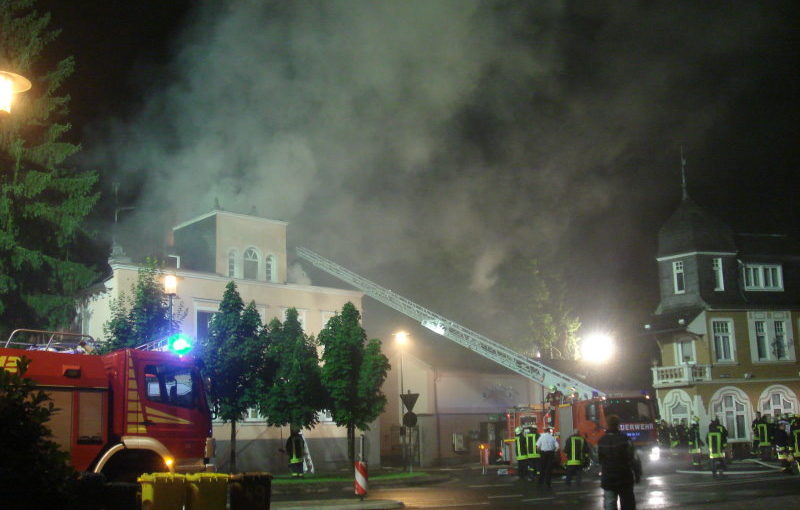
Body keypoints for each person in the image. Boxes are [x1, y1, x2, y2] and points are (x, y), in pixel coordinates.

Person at [598, 414, 641, 510]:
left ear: (607, 424)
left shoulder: (602, 441)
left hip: (608, 478)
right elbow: (633, 458)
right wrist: (637, 474)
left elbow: (600, 460)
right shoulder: (625, 439)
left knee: (610, 504)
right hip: (624, 476)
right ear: (618, 424)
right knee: (627, 503)